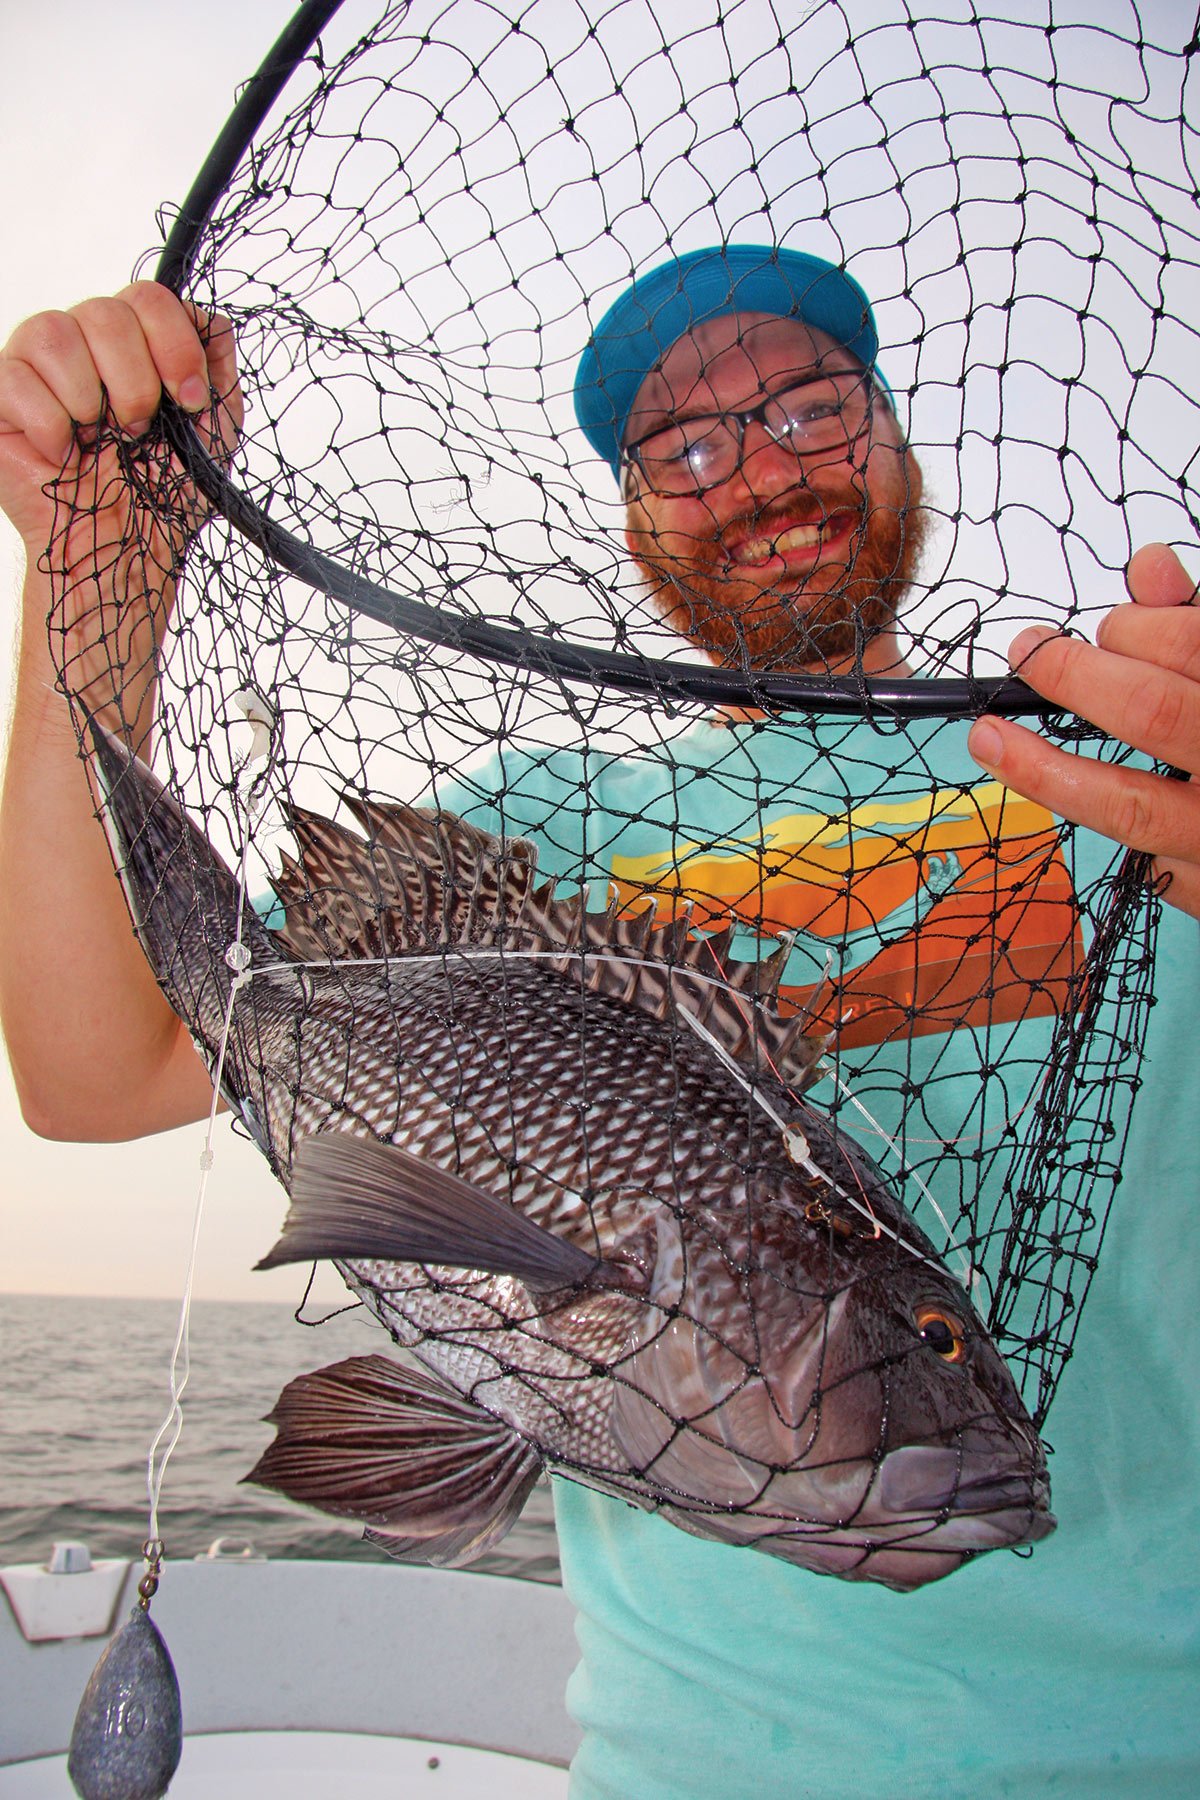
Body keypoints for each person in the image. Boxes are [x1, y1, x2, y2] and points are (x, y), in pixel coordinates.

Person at [0, 246, 1196, 1796]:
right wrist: (99, 571)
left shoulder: (1146, 781)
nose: (758, 470)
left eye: (811, 406)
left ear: (896, 432)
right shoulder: (537, 824)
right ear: (637, 521)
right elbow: (91, 1078)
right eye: (684, 448)